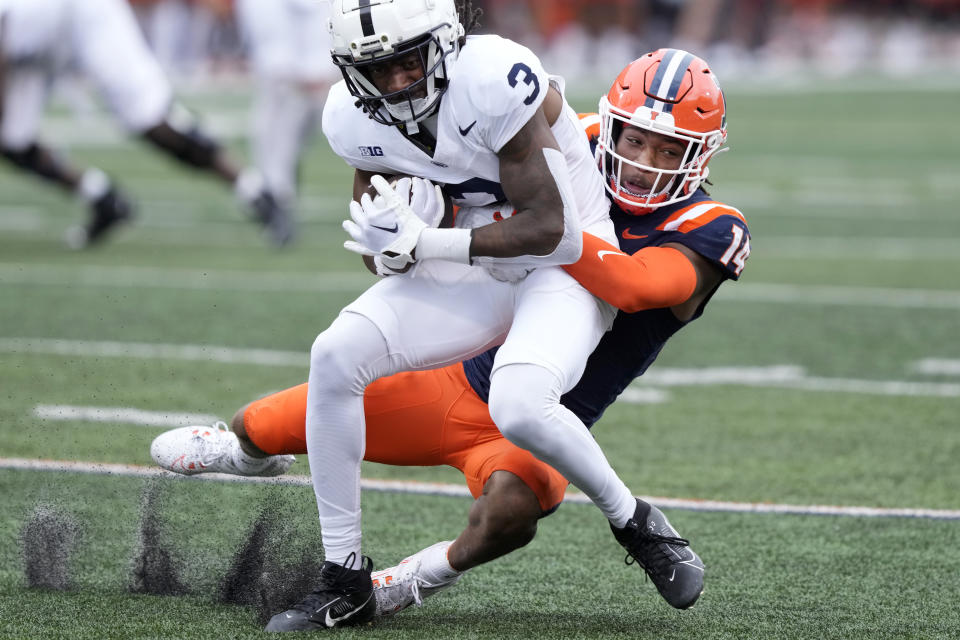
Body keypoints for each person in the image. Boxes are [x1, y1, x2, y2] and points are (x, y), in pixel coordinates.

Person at [152, 46, 749, 625]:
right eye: (635, 140)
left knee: (512, 507)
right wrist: (413, 218)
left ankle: (407, 583)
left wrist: (520, 221)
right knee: (264, 420)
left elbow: (635, 285)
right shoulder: (578, 139)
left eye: (670, 150)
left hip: (547, 420)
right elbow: (484, 149)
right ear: (612, 127)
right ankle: (244, 455)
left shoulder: (710, 228)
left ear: (702, 156)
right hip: (453, 375)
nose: (645, 161)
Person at [0, 0, 290, 247]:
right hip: (26, 39)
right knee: (13, 140)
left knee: (152, 118)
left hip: (80, 13)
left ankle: (255, 190)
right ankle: (104, 199)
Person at [233, 0, 340, 244]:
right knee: (277, 127)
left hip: (314, 58)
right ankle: (275, 202)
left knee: (310, 124)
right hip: (285, 70)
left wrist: (322, 65)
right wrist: (285, 67)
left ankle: (277, 188)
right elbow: (267, 28)